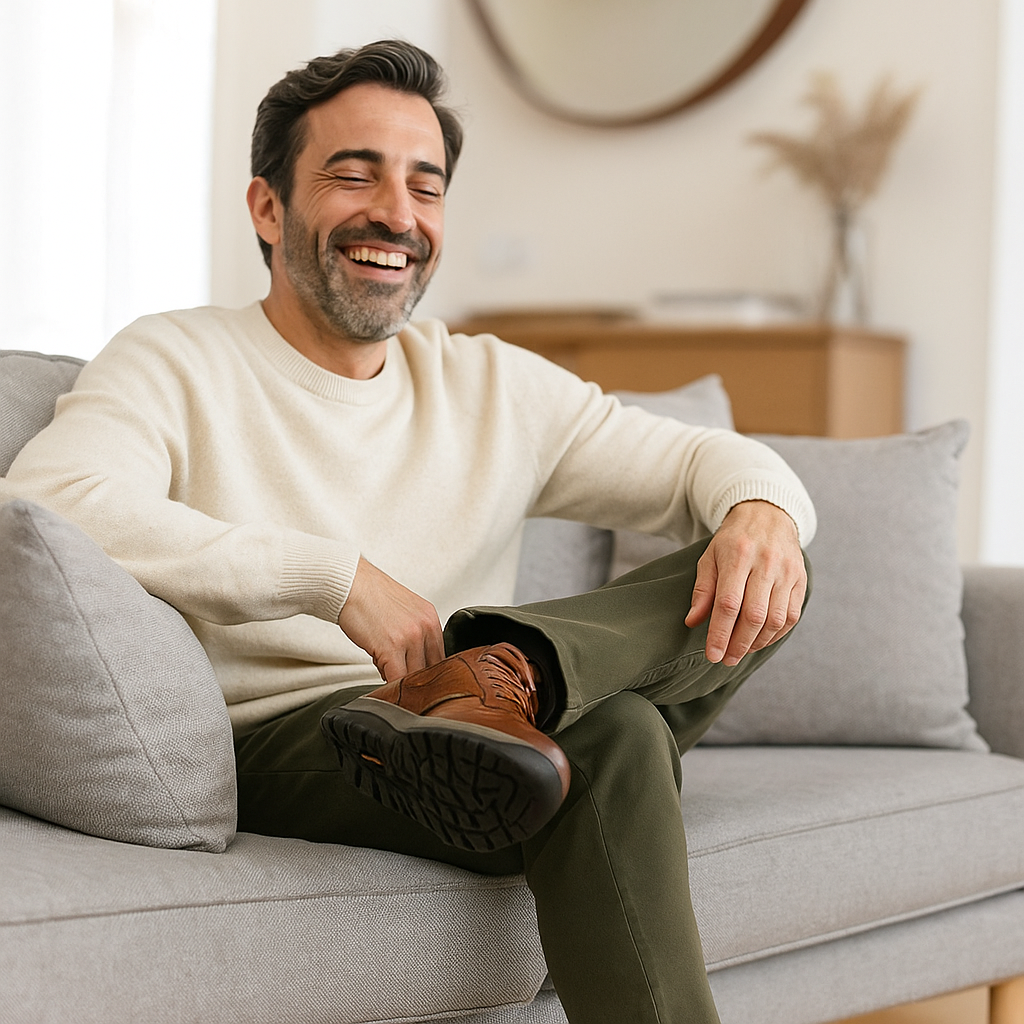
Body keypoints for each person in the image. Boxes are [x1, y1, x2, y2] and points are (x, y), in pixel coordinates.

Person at [1, 41, 814, 1024]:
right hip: (303, 735)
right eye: (355, 175)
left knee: (763, 563)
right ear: (267, 207)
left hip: (486, 741)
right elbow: (53, 501)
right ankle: (497, 689)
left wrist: (763, 511)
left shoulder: (489, 383)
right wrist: (333, 577)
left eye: (425, 187)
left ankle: (507, 678)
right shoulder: (176, 357)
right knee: (623, 730)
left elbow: (699, 464)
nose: (397, 213)